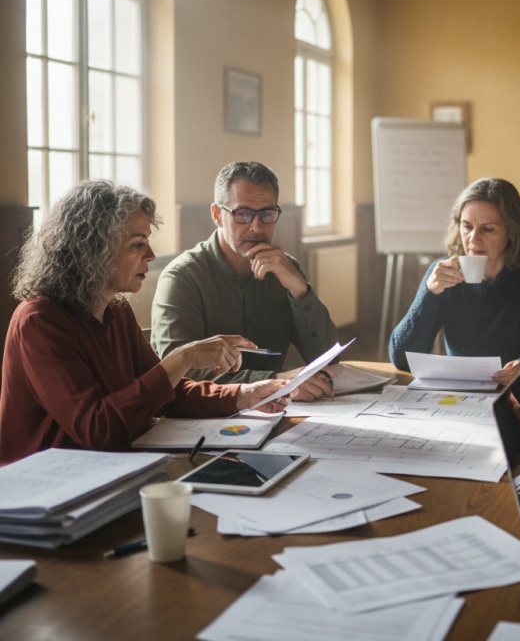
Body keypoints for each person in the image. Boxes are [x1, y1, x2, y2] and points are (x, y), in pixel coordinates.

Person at [0, 180, 292, 467]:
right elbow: (98, 430)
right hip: (44, 489)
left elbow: (166, 395)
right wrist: (183, 358)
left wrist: (245, 395)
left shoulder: (116, 309)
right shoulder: (39, 321)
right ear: (93, 251)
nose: (151, 256)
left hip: (106, 471)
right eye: (137, 244)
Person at [151, 161, 338, 395]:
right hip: (206, 417)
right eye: (244, 214)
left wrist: (299, 289)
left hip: (275, 412)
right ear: (217, 215)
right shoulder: (181, 278)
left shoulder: (285, 269)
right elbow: (178, 374)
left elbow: (328, 356)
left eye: (267, 213)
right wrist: (274, 381)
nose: (257, 226)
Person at [389, 178, 520, 388]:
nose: (473, 240)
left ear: (512, 231)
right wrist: (429, 294)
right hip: (461, 394)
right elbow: (401, 358)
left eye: (487, 229)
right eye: (466, 227)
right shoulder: (443, 272)